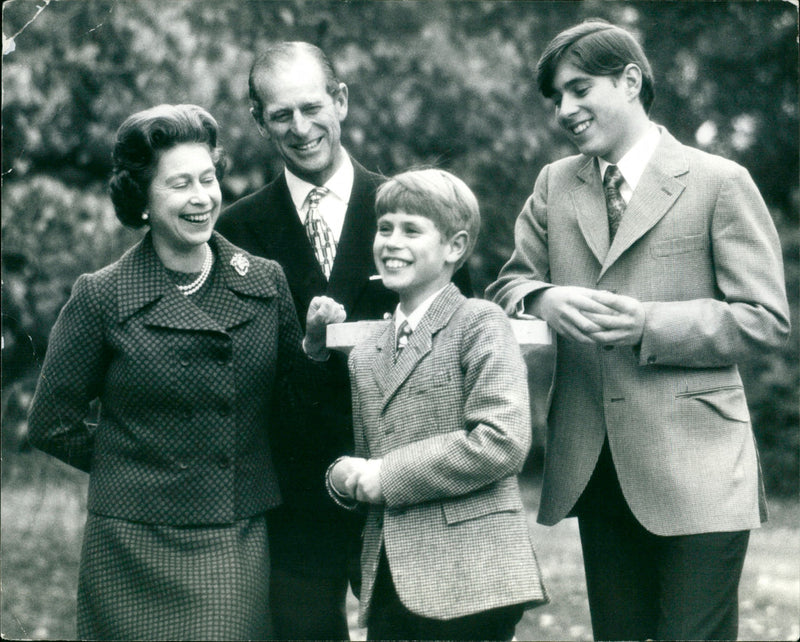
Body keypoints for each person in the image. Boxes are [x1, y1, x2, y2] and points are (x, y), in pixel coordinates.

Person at [486, 19, 790, 641]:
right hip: (595, 466)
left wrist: (649, 323)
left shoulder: (719, 181)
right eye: (556, 99)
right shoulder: (554, 184)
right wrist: (544, 297)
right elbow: (507, 285)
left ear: (630, 80)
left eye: (578, 89)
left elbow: (764, 319)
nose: (565, 110)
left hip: (701, 466)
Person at [26, 103, 345, 641]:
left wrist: (315, 350)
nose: (202, 197)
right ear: (143, 199)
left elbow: (294, 409)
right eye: (180, 184)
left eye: (208, 178)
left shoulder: (264, 281)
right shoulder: (101, 296)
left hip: (232, 534)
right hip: (128, 542)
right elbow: (50, 423)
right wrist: (140, 463)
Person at [215, 42, 471, 639]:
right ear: (260, 122)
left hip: (406, 489)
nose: (301, 128)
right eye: (281, 115)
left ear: (342, 101)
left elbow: (462, 342)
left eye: (312, 107)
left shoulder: (415, 209)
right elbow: (237, 378)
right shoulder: (236, 231)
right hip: (294, 500)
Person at [325, 168, 548, 641]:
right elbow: (372, 457)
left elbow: (502, 441)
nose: (391, 241)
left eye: (411, 229)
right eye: (384, 228)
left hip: (474, 576)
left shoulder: (480, 322)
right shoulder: (367, 353)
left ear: (454, 246)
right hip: (391, 580)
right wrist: (345, 476)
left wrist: (386, 475)